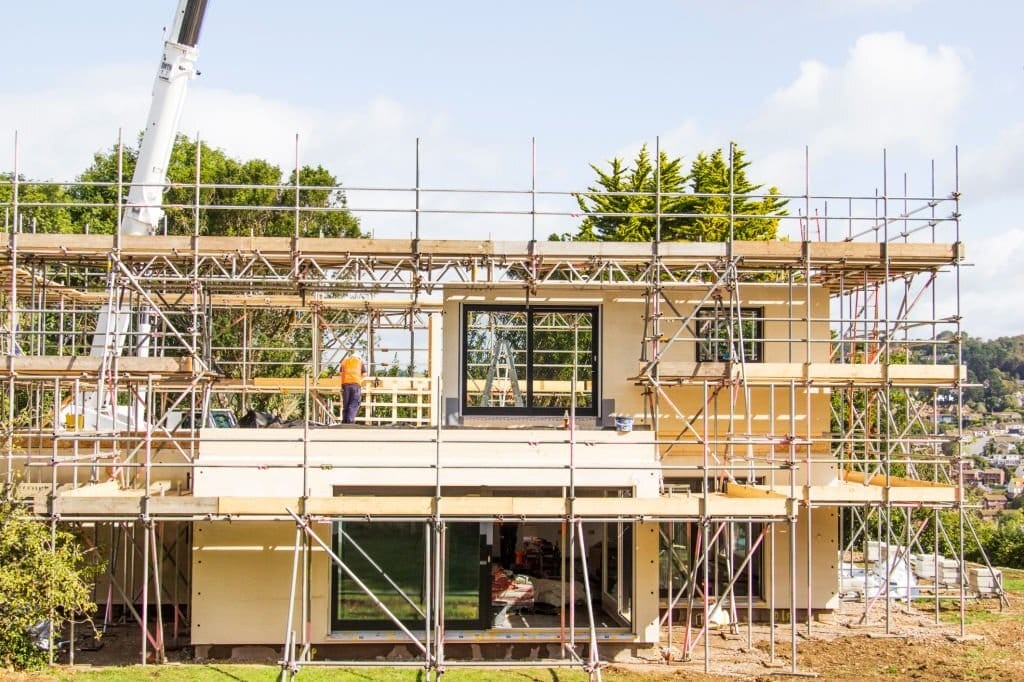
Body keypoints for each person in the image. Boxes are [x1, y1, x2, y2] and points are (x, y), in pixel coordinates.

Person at [340, 353, 367, 424]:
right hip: (355, 385)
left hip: (345, 385)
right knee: (353, 403)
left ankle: (345, 421)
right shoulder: (359, 362)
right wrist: (359, 380)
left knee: (346, 403)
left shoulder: (344, 361)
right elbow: (364, 374)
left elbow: (340, 373)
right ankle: (350, 421)